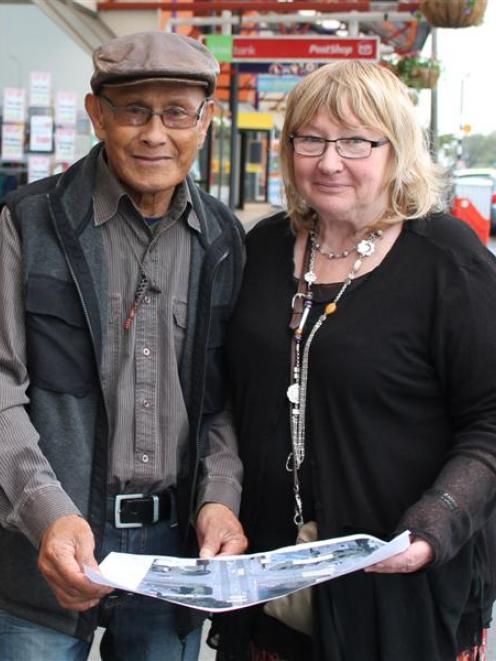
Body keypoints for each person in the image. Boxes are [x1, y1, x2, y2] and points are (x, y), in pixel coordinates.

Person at [212, 61, 496, 661]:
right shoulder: (262, 247)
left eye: (355, 141)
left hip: (396, 583)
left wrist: (435, 523)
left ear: (397, 149)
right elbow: (230, 396)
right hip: (268, 576)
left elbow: (490, 421)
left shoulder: (446, 259)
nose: (329, 161)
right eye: (309, 139)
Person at [0, 30, 247, 661]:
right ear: (97, 114)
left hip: (172, 557)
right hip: (43, 547)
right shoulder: (27, 222)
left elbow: (225, 399)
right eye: (134, 110)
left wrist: (220, 499)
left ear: (206, 120)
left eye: (176, 113)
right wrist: (46, 512)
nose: (154, 134)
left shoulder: (223, 238)